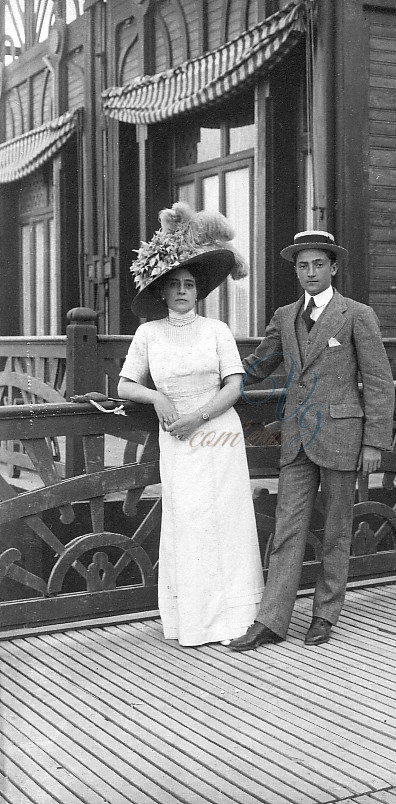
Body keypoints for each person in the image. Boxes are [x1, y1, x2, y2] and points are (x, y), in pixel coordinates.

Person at [229, 230, 394, 651]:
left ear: (333, 267)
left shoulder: (357, 314)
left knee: (338, 529)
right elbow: (258, 365)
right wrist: (207, 380)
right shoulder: (285, 316)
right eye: (302, 266)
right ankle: (272, 620)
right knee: (287, 529)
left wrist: (374, 442)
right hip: (297, 439)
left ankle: (325, 615)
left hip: (343, 436)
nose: (310, 272)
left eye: (318, 264)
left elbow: (378, 381)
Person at [118, 203, 264, 646]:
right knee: (190, 521)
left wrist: (198, 416)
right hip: (177, 441)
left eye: (189, 284)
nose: (183, 291)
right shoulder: (149, 335)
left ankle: (234, 619)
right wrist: (158, 396)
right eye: (175, 284)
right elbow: (126, 385)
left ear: (198, 291)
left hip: (218, 433)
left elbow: (234, 386)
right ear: (162, 290)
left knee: (228, 520)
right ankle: (194, 621)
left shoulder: (216, 330)